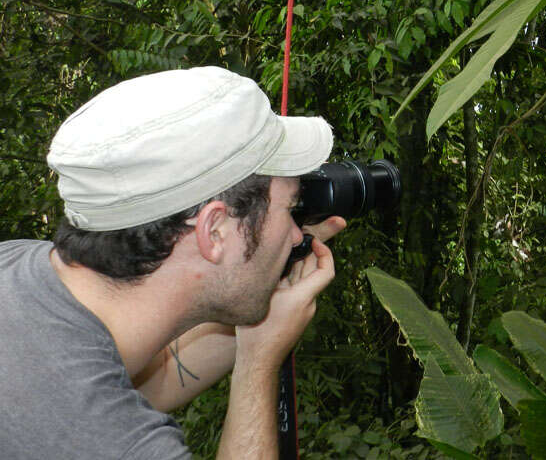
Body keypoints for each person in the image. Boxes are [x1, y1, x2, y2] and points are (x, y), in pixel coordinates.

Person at [0, 66, 346, 459]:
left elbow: (143, 384)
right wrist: (258, 364)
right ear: (214, 231)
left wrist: (263, 282)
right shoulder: (110, 444)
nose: (298, 234)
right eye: (290, 208)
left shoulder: (15, 265)